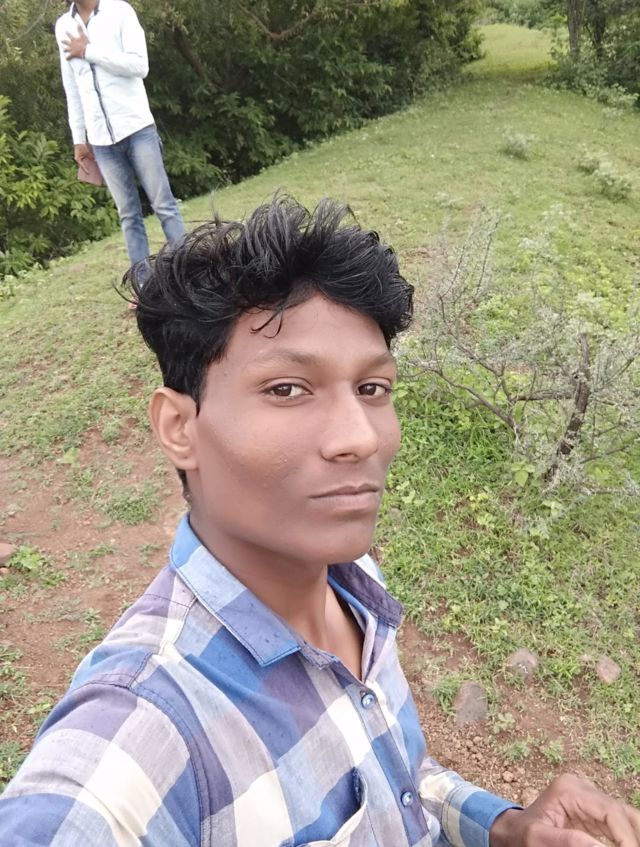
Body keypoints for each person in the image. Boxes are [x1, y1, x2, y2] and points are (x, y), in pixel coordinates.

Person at [0, 197, 638, 847]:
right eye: (287, 389)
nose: (360, 437)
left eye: (372, 389)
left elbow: (398, 777)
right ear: (179, 427)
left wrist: (502, 826)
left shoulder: (351, 579)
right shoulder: (145, 730)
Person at [54, 0, 185, 281]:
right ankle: (144, 285)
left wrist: (88, 51)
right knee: (128, 215)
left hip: (137, 128)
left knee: (163, 205)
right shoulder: (63, 26)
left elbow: (139, 65)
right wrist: (79, 139)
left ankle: (189, 272)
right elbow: (72, 89)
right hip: (101, 141)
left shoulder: (120, 11)